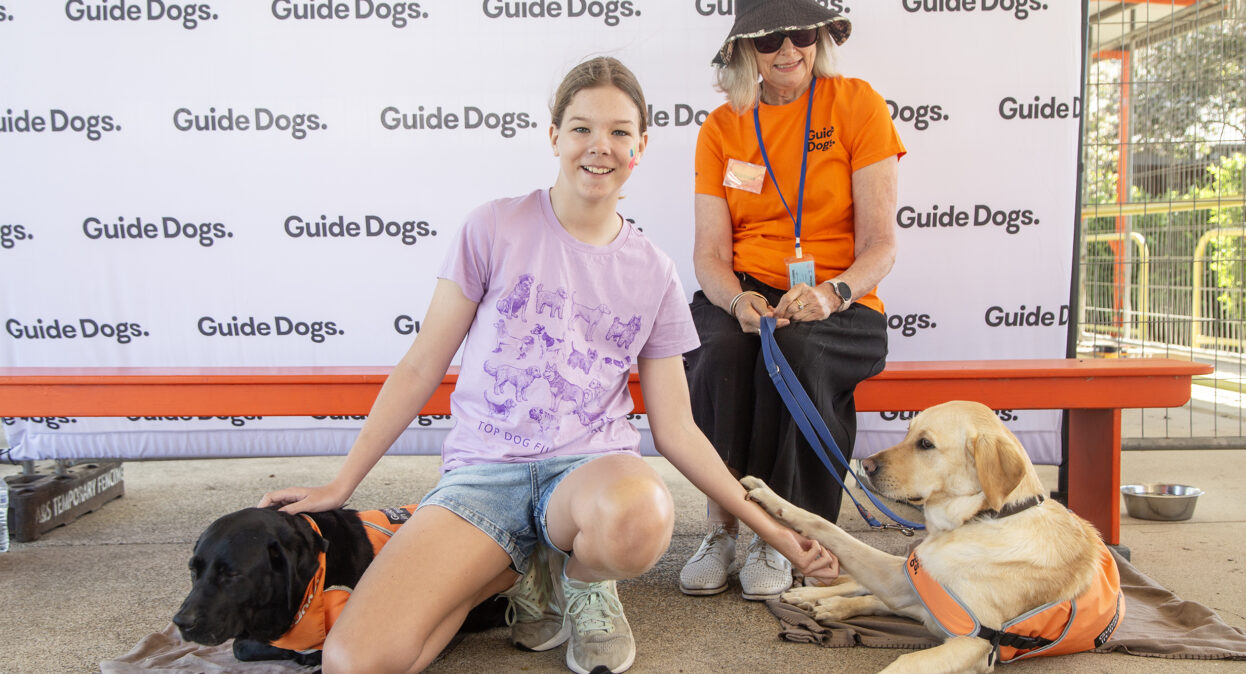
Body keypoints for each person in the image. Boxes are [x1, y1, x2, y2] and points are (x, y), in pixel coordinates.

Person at [259, 56, 838, 674]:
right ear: (554, 135)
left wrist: (772, 529)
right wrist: (341, 484)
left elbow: (676, 431)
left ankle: (586, 582)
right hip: (483, 480)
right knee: (357, 661)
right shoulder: (493, 226)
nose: (600, 146)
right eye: (583, 128)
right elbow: (421, 365)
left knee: (642, 509)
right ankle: (516, 573)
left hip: (589, 479)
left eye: (619, 131)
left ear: (642, 145)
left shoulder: (654, 271)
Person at [679, 0, 905, 602]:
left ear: (819, 37)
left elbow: (881, 245)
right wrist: (737, 303)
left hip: (841, 297)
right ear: (743, 50)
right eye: (768, 37)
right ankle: (724, 528)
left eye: (799, 33)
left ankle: (787, 537)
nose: (787, 50)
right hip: (749, 291)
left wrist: (833, 293)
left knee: (801, 351)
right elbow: (709, 256)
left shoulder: (856, 103)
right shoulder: (721, 128)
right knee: (718, 350)